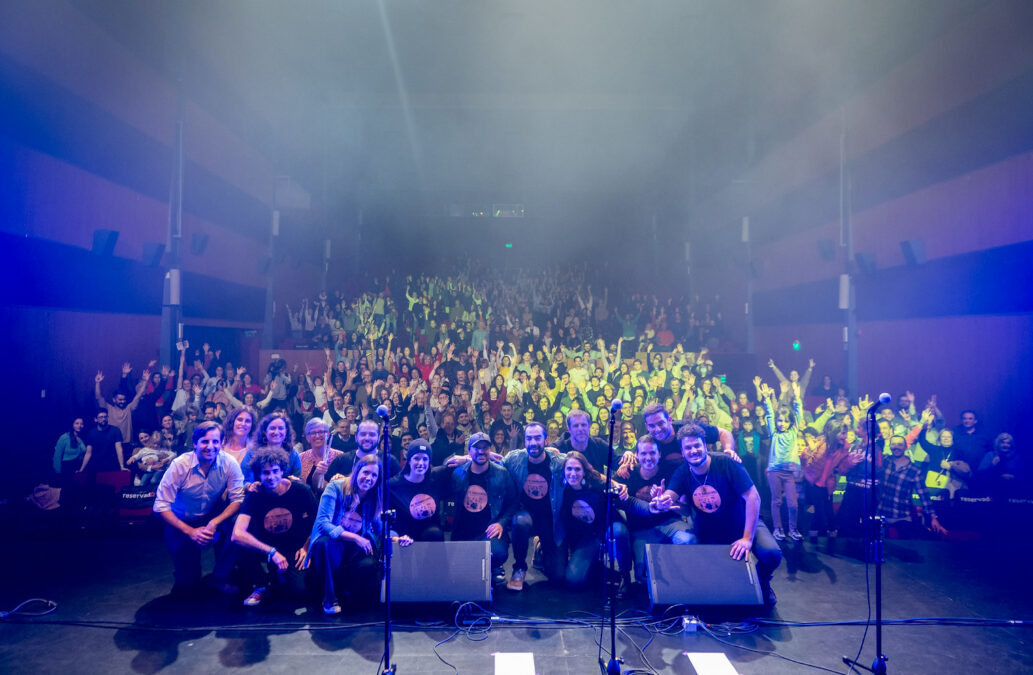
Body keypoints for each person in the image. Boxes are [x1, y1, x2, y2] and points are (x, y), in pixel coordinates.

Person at [654, 424, 781, 606]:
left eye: (697, 445)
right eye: (688, 448)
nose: (693, 450)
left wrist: (747, 538)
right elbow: (670, 495)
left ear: (706, 446)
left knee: (771, 553)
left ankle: (763, 581)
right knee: (718, 584)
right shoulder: (682, 472)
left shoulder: (726, 463)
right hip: (711, 532)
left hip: (743, 524)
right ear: (682, 452)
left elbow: (754, 498)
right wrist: (660, 502)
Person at [308, 455, 413, 614]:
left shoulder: (374, 496)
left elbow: (379, 529)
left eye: (374, 475)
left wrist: (397, 538)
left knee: (368, 567)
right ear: (357, 471)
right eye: (366, 472)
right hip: (332, 543)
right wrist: (356, 537)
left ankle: (347, 592)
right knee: (325, 545)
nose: (368, 478)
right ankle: (329, 598)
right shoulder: (335, 488)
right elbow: (323, 524)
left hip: (353, 548)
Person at [152, 421, 245, 596]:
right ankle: (185, 571)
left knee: (238, 523)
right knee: (187, 584)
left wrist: (214, 523)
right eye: (205, 441)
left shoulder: (229, 463)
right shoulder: (180, 465)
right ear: (195, 443)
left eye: (215, 442)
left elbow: (237, 500)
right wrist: (191, 531)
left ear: (221, 443)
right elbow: (160, 507)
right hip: (180, 520)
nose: (210, 446)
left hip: (210, 515)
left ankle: (220, 576)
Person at [230, 447, 318, 607]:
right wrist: (272, 552)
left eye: (275, 471)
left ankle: (278, 575)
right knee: (238, 542)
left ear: (282, 470)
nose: (271, 477)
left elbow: (318, 522)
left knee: (300, 592)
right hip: (267, 548)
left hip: (294, 548)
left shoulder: (301, 491)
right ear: (259, 475)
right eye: (266, 473)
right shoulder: (255, 494)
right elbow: (237, 533)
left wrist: (307, 547)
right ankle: (262, 584)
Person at [618, 435, 694, 585]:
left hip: (670, 523)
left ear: (659, 454)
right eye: (643, 453)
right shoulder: (627, 474)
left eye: (652, 453)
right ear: (637, 455)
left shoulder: (672, 473)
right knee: (643, 577)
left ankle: (684, 582)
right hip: (641, 530)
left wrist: (670, 500)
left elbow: (686, 511)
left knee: (690, 540)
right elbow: (621, 503)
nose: (648, 457)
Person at [554, 451, 630, 592]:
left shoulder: (597, 484)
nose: (573, 473)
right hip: (589, 537)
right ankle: (603, 570)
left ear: (584, 471)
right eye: (569, 469)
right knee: (573, 581)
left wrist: (620, 487)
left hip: (608, 529)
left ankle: (626, 577)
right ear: (564, 471)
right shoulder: (563, 491)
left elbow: (624, 500)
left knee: (619, 532)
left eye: (577, 469)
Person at [502, 422, 565, 591]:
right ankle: (519, 567)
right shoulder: (515, 458)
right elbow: (490, 462)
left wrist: (614, 482)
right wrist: (467, 457)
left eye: (537, 438)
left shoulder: (558, 462)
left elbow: (582, 466)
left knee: (558, 577)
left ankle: (540, 549)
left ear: (546, 440)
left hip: (550, 520)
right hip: (526, 515)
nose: (533, 442)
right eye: (529, 438)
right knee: (520, 521)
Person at [449, 432, 517, 585]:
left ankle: (494, 567)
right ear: (469, 451)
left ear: (490, 450)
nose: (481, 451)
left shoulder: (502, 473)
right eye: (476, 448)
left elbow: (513, 504)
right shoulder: (458, 474)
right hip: (463, 533)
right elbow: (444, 466)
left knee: (498, 553)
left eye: (485, 447)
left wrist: (501, 523)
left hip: (489, 532)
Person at [878, 435, 948, 539]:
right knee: (880, 549)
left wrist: (933, 518)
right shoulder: (885, 460)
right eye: (893, 444)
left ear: (906, 447)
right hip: (882, 515)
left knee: (903, 551)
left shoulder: (914, 470)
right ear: (890, 446)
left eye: (900, 444)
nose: (896, 447)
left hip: (902, 517)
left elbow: (924, 496)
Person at [762, 382, 803, 541]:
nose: (782, 423)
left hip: (789, 473)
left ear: (790, 422)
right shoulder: (774, 433)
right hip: (774, 472)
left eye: (785, 421)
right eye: (780, 421)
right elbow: (770, 415)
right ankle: (778, 529)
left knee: (793, 504)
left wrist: (797, 398)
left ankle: (793, 529)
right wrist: (766, 399)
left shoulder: (793, 431)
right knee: (777, 501)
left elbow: (798, 413)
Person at [388, 438, 448, 541]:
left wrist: (464, 459)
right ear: (409, 460)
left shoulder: (436, 480)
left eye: (425, 459)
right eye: (416, 458)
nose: (421, 463)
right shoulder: (394, 485)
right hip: (403, 542)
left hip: (430, 544)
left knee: (434, 533)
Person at [326, 418, 402, 480]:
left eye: (372, 434)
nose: (367, 438)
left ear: (378, 439)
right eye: (363, 434)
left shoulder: (390, 460)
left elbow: (399, 487)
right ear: (356, 437)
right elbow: (325, 482)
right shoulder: (342, 459)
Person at [239, 412, 303, 482]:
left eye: (281, 428)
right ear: (265, 431)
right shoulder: (252, 453)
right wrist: (250, 486)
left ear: (286, 432)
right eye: (272, 428)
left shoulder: (293, 454)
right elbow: (245, 481)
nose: (276, 432)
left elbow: (297, 479)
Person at [298, 417, 345, 494]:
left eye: (321, 432)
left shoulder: (340, 456)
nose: (317, 436)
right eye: (313, 433)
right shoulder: (301, 457)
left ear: (328, 434)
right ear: (307, 438)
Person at [79, 408, 127, 473]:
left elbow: (119, 449)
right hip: (96, 467)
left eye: (105, 417)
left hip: (112, 465)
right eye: (101, 417)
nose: (103, 419)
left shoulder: (115, 430)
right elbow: (88, 453)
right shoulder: (91, 433)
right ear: (95, 419)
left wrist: (122, 466)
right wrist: (81, 469)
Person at [53, 418, 87, 483]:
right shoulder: (64, 437)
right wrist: (58, 473)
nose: (79, 425)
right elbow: (57, 456)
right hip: (67, 468)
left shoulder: (83, 437)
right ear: (72, 425)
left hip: (79, 467)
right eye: (77, 423)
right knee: (67, 490)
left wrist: (81, 469)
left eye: (81, 424)